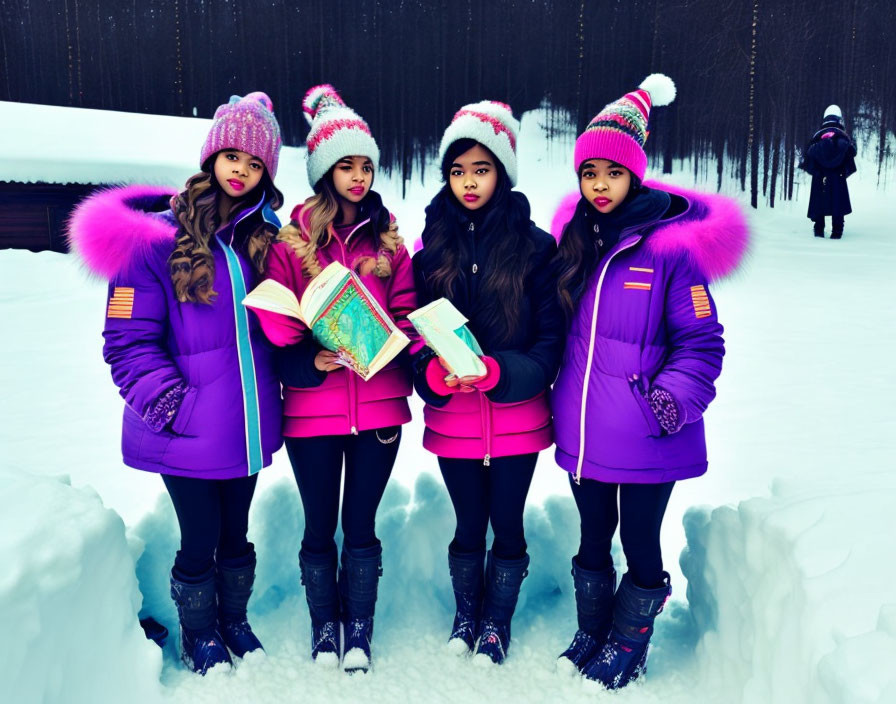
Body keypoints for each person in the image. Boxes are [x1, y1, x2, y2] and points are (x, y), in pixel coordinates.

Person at [67, 92, 285, 674]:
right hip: (184, 428)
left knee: (236, 535)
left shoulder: (265, 242)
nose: (241, 170)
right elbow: (127, 342)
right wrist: (175, 409)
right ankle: (200, 633)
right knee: (200, 537)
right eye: (232, 155)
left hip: (245, 431)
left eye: (256, 163)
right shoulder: (155, 241)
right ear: (211, 157)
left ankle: (234, 621)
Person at [549, 75, 750, 689]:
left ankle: (630, 642)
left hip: (645, 432)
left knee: (638, 540)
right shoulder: (576, 242)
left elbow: (702, 342)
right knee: (591, 537)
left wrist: (668, 402)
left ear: (634, 175)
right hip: (583, 428)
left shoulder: (671, 251)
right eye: (589, 174)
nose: (599, 186)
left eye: (612, 173)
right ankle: (593, 630)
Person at [249, 85, 417, 674]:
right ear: (323, 170)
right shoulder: (290, 242)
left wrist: (398, 343)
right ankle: (326, 626)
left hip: (378, 407)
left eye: (366, 165)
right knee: (320, 523)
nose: (358, 176)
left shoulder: (390, 240)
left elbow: (408, 310)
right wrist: (308, 353)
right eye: (345, 164)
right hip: (313, 409)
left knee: (361, 524)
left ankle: (360, 627)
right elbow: (276, 323)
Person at [412, 101, 565, 665]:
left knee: (507, 522)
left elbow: (550, 343)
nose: (468, 182)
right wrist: (434, 374)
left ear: (502, 172)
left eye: (481, 169)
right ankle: (466, 613)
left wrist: (499, 373)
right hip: (453, 418)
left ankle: (497, 622)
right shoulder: (429, 254)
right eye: (457, 171)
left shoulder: (537, 249)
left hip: (517, 416)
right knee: (467, 522)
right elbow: (414, 336)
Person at [799, 105, 857, 239]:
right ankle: (837, 233)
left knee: (819, 202)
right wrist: (840, 172)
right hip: (838, 177)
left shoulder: (815, 139)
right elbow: (850, 160)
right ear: (839, 119)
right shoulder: (845, 140)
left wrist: (818, 172)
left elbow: (808, 163)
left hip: (820, 178)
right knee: (838, 202)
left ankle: (818, 231)